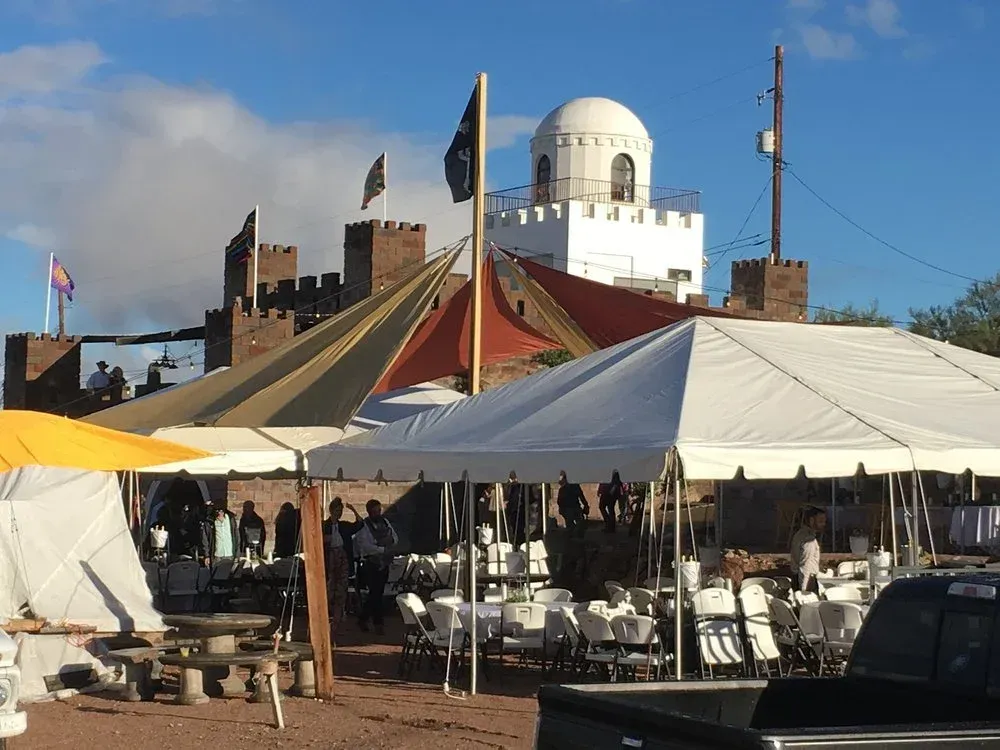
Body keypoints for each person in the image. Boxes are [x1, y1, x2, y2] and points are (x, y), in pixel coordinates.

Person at [354, 499, 399, 635]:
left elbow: (395, 538)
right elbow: (365, 546)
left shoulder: (385, 523)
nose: (377, 514)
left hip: (384, 562)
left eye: (379, 511)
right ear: (369, 512)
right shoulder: (364, 526)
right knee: (375, 592)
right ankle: (378, 623)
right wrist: (381, 548)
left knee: (377, 593)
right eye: (374, 512)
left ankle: (364, 618)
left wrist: (388, 544)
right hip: (370, 563)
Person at [323, 497, 363, 638]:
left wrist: (352, 509)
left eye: (340, 511)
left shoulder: (344, 526)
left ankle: (338, 619)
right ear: (331, 511)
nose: (338, 513)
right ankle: (327, 617)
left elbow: (360, 524)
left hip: (343, 558)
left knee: (341, 590)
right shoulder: (324, 525)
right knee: (329, 589)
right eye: (337, 511)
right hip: (330, 559)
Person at [790, 507, 826, 592]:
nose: (823, 524)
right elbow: (805, 565)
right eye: (820, 521)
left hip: (797, 578)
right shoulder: (809, 541)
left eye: (824, 521)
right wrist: (804, 591)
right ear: (811, 520)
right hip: (808, 581)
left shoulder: (799, 534)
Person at [200, 499, 238, 565]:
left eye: (221, 510)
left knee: (230, 574)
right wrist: (207, 555)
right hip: (216, 556)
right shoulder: (210, 521)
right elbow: (205, 539)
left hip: (230, 555)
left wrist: (237, 554)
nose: (219, 513)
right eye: (216, 510)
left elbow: (237, 537)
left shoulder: (231, 519)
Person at [556, 470, 589, 536]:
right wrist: (586, 505)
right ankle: (577, 535)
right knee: (579, 522)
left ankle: (572, 535)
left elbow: (559, 501)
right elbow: (581, 496)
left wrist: (561, 509)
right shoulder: (575, 486)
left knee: (571, 524)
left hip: (569, 508)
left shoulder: (563, 488)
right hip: (574, 507)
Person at [504, 471, 526, 547]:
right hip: (514, 510)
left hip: (519, 509)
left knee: (519, 529)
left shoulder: (521, 486)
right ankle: (517, 544)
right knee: (514, 528)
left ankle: (520, 544)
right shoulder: (512, 486)